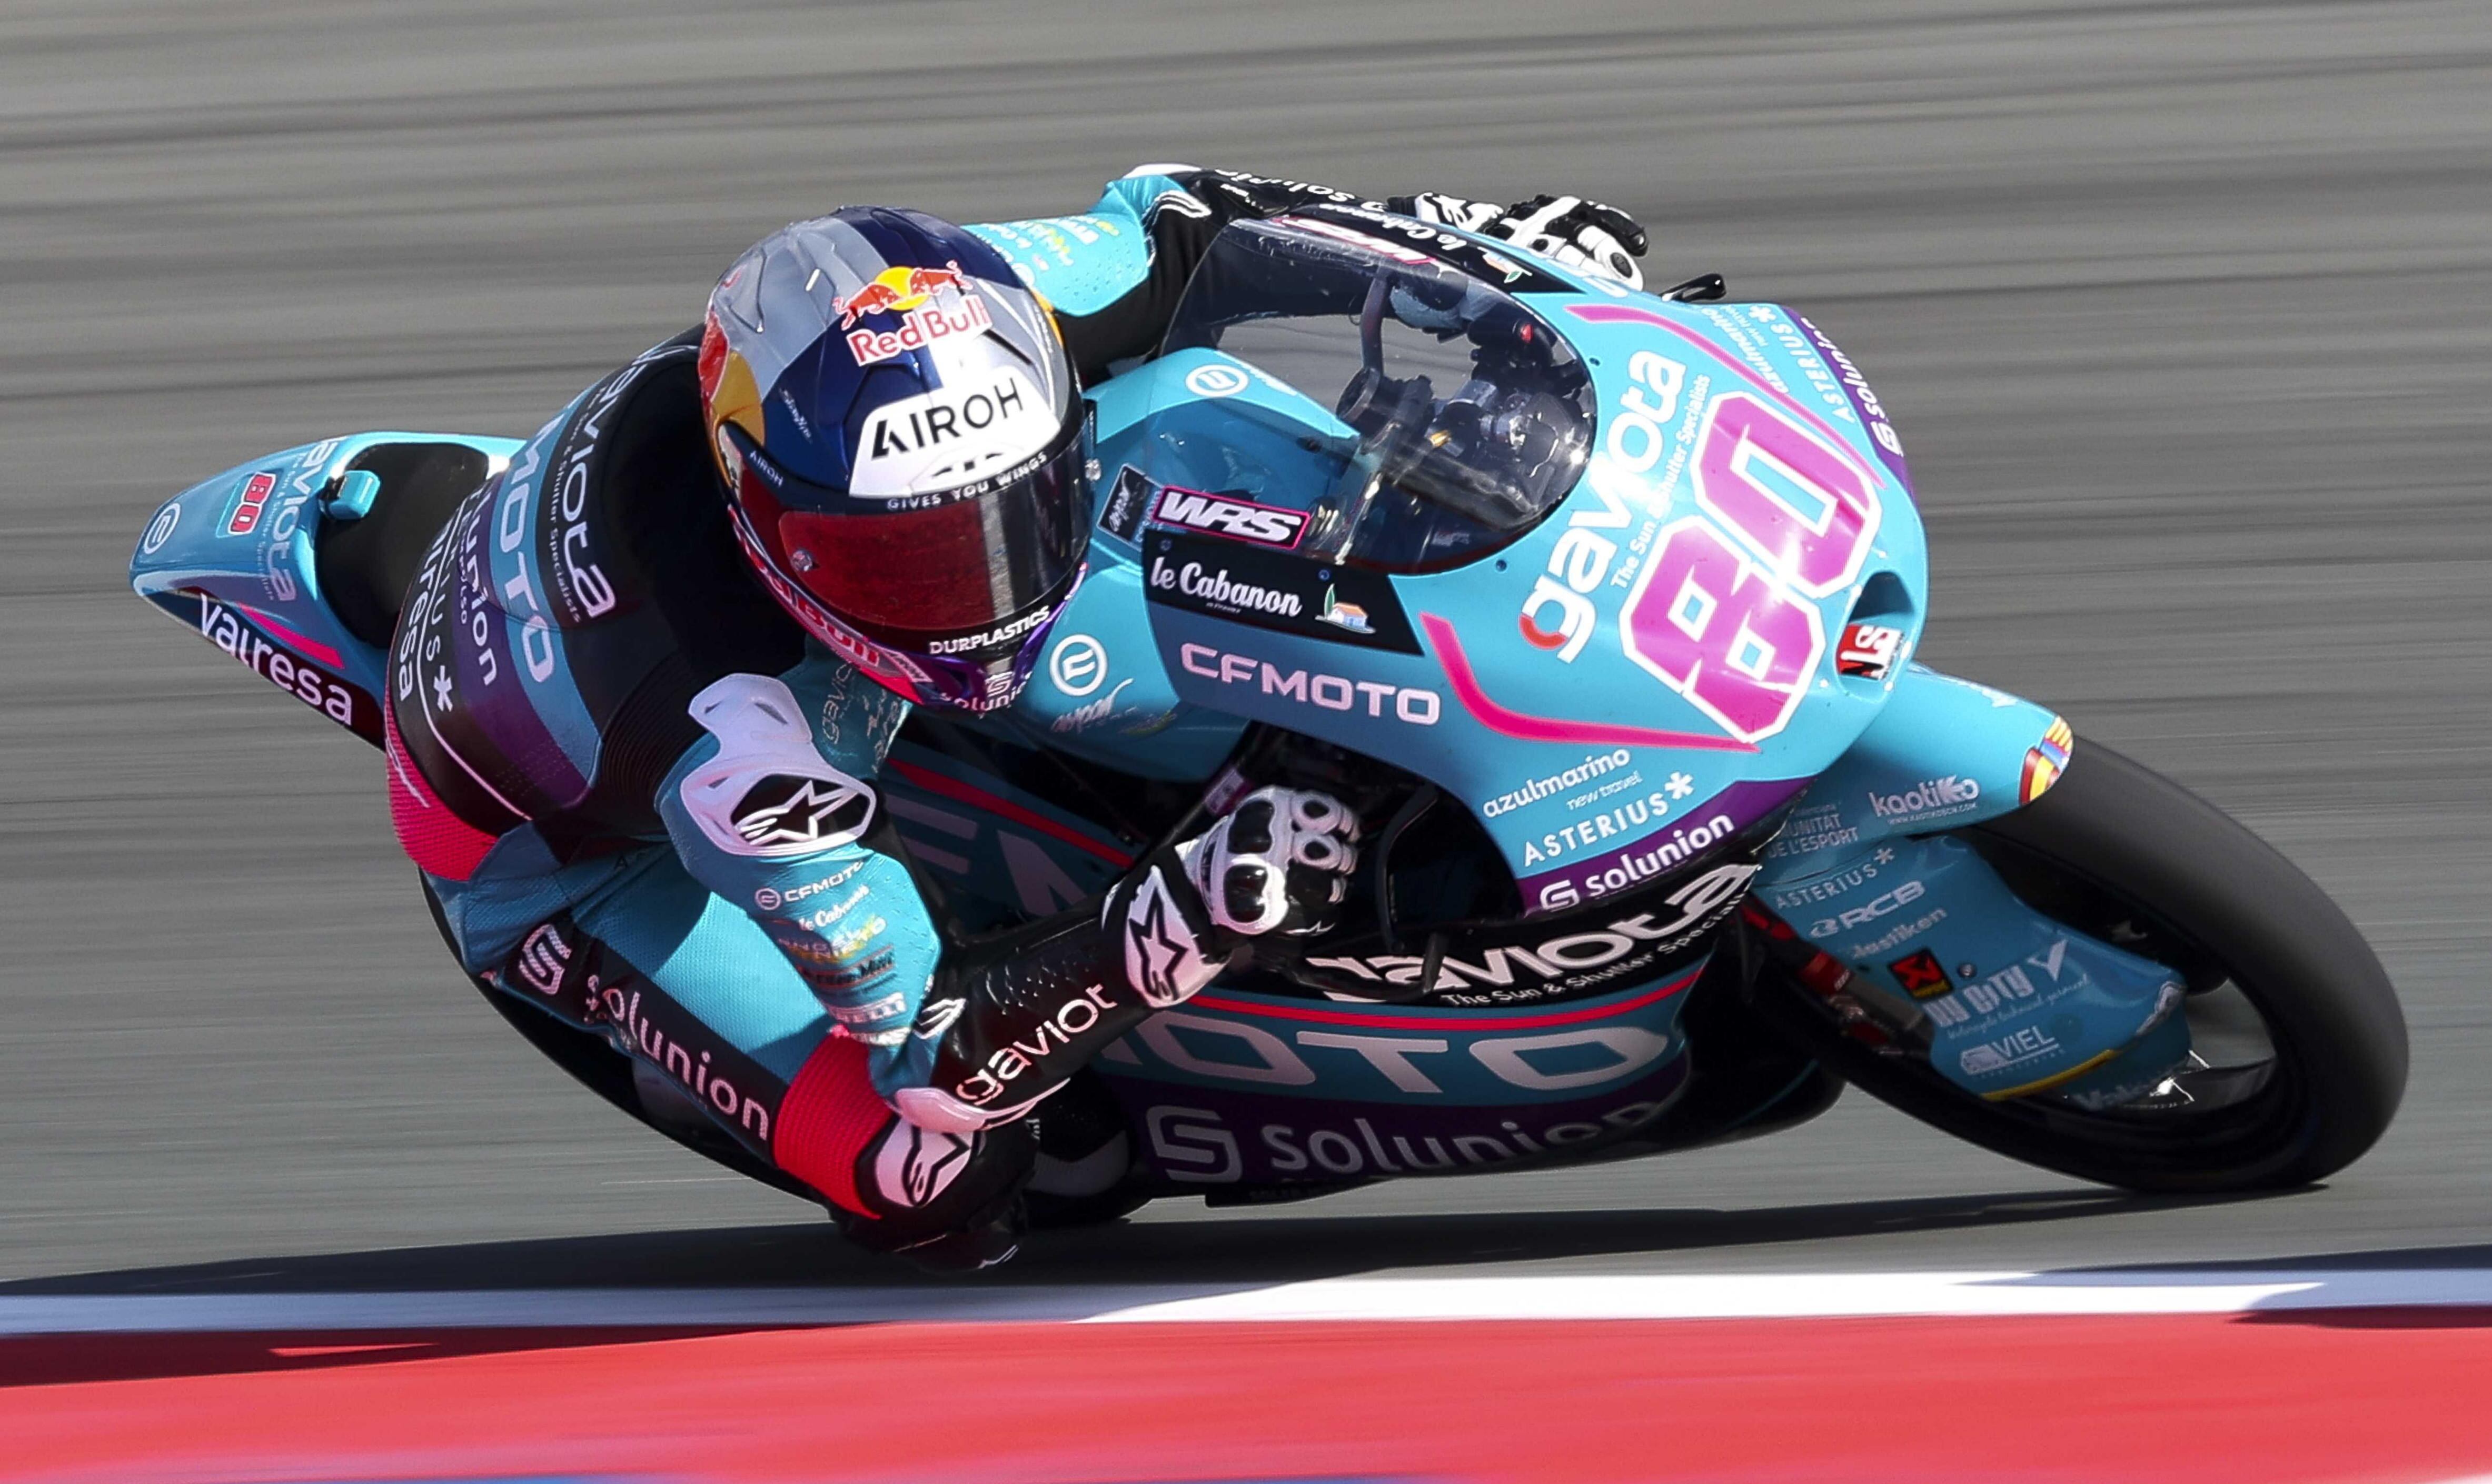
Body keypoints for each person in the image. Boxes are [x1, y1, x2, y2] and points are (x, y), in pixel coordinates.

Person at [382, 168, 1650, 1267]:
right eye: (912, 567)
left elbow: (1189, 218)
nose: (979, 601)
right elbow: (925, 1049)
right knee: (925, 1175)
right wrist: (1169, 925)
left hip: (713, 588)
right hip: (578, 869)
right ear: (778, 531)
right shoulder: (738, 744)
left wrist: (1492, 252)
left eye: (1005, 524)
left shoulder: (960, 310)